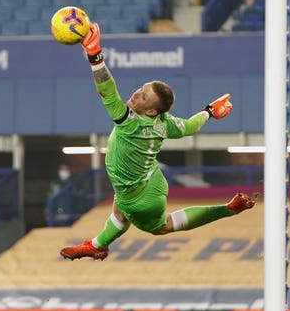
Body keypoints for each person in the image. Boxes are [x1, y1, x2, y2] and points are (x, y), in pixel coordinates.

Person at [60, 23, 257, 261]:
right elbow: (190, 127)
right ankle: (97, 246)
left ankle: (228, 209)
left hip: (140, 198)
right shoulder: (166, 122)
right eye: (141, 89)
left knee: (160, 226)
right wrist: (209, 112)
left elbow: (107, 90)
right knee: (120, 214)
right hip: (152, 179)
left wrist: (95, 55)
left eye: (143, 96)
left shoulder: (131, 123)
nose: (135, 94)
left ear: (152, 111)